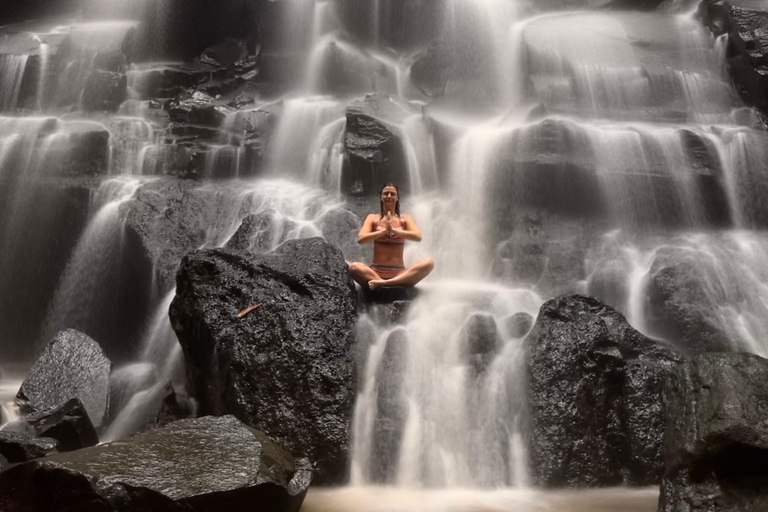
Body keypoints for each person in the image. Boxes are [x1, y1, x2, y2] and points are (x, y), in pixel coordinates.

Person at [349, 183, 434, 290]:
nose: (389, 196)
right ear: (381, 197)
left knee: (429, 263)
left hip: (399, 273)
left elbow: (417, 236)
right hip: (376, 272)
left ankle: (386, 284)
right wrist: (383, 232)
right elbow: (361, 239)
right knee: (354, 267)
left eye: (392, 194)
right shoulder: (373, 218)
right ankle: (392, 283)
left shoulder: (405, 219)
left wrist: (395, 231)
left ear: (397, 197)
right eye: (386, 194)